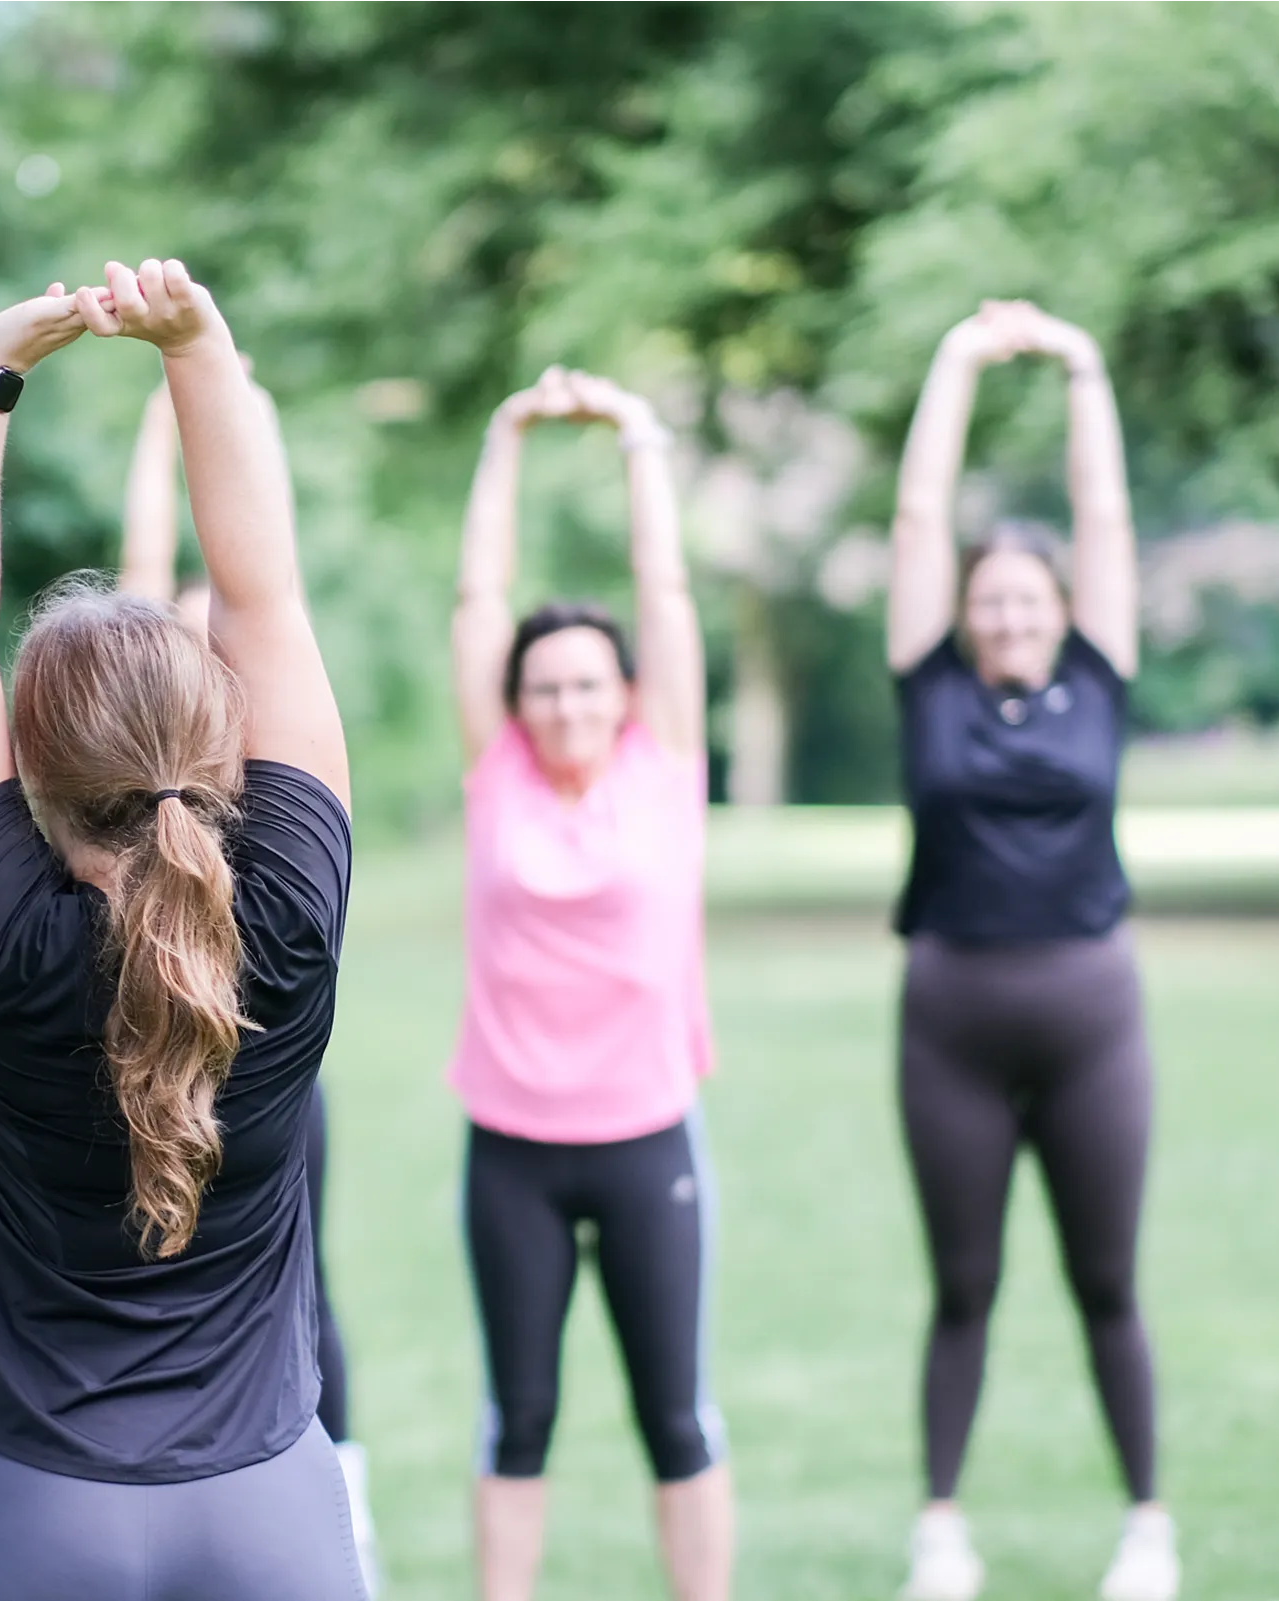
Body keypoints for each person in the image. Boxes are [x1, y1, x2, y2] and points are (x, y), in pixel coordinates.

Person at [0, 260, 362, 1600]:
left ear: (26, 763)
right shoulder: (289, 919)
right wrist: (198, 345)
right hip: (272, 1513)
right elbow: (264, 597)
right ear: (223, 740)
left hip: (31, 1515)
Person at [886, 301, 1174, 1601]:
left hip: (1089, 1010)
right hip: (950, 1008)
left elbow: (1107, 520)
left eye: (1027, 597)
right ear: (963, 611)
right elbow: (914, 520)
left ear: (1064, 611)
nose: (1004, 614)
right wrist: (953, 363)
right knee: (966, 1282)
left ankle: (1146, 1525)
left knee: (1107, 1278)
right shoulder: (931, 681)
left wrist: (1083, 369)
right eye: (986, 597)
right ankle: (942, 1529)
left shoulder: (1102, 675)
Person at [449, 368, 732, 1601]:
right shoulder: (498, 770)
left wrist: (639, 442)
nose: (565, 701)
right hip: (511, 1142)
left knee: (675, 1413)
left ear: (625, 695)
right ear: (515, 701)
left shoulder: (663, 761)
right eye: (543, 683)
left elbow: (665, 595)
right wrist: (506, 436)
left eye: (586, 682)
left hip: (645, 1135)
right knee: (519, 1412)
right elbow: (477, 598)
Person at [117, 370, 381, 1590]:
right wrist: (167, 414)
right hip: (137, 1036)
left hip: (252, 1052)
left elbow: (261, 588)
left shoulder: (255, 763)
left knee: (294, 1282)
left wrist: (225, 410)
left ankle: (339, 1481)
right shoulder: (151, 716)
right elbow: (143, 578)